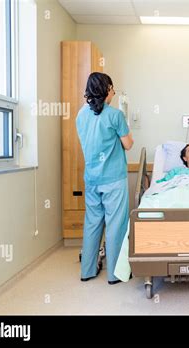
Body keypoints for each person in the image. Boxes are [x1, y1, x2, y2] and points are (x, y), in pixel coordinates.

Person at [76, 72, 134, 285]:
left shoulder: (81, 115)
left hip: (91, 178)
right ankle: (115, 274)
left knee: (92, 223)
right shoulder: (115, 115)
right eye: (112, 88)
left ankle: (87, 271)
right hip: (113, 179)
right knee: (115, 224)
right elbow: (128, 144)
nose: (114, 92)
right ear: (107, 89)